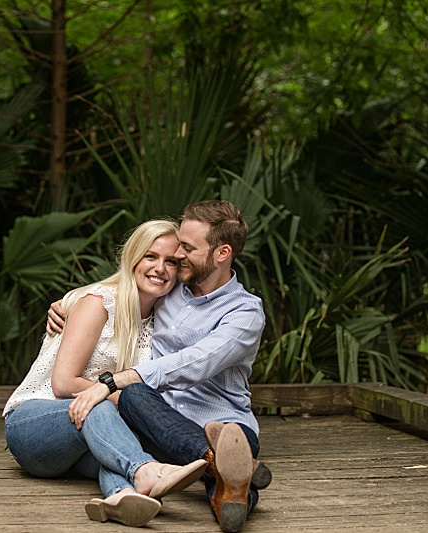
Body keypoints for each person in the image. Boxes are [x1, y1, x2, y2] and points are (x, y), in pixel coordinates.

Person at [48, 200, 271, 533]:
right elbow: (119, 291)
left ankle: (228, 485)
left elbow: (196, 362)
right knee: (135, 396)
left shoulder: (245, 312)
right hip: (158, 424)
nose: (177, 254)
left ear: (222, 253)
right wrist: (68, 304)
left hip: (225, 425)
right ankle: (226, 467)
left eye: (187, 247)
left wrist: (116, 380)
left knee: (137, 392)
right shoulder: (169, 287)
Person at [3, 219, 208, 528]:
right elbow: (63, 383)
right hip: (35, 426)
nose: (160, 268)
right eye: (151, 256)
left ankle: (120, 497)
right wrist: (126, 399)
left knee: (118, 446)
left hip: (88, 440)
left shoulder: (162, 325)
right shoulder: (100, 302)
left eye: (171, 261)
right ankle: (146, 470)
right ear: (133, 258)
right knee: (97, 399)